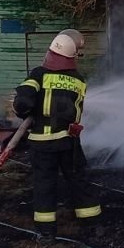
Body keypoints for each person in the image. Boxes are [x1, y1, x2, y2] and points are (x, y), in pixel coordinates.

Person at [12, 28, 99, 233]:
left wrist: (25, 111)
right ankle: (91, 224)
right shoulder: (78, 80)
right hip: (69, 141)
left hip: (43, 142)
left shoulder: (39, 74)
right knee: (78, 180)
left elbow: (23, 102)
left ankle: (46, 231)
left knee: (44, 183)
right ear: (72, 57)